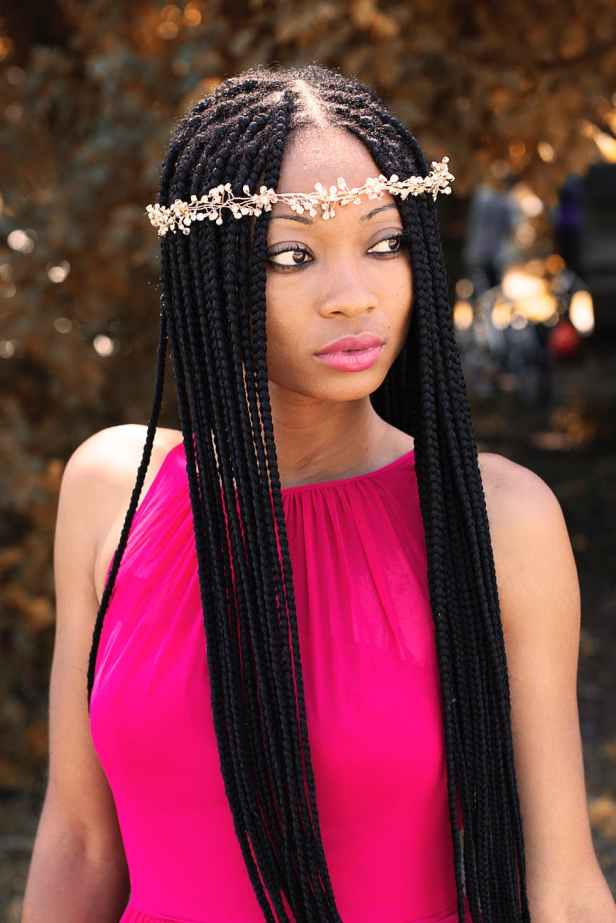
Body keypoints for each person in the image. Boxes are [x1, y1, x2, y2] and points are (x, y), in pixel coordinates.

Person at [22, 64, 616, 923]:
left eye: (385, 243)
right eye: (291, 255)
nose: (354, 297)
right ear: (212, 272)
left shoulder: (496, 520)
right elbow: (79, 841)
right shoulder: (113, 489)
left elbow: (560, 886)